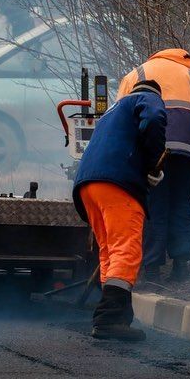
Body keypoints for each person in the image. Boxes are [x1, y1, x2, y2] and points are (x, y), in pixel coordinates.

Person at [72, 80, 167, 341]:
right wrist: (153, 165)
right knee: (126, 248)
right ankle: (109, 319)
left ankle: (116, 317)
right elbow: (155, 117)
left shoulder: (112, 112)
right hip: (117, 184)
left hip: (87, 186)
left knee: (109, 251)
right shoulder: (147, 98)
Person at [117, 49, 190, 282]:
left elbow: (121, 119)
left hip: (150, 152)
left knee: (154, 207)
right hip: (187, 152)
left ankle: (152, 271)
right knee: (183, 204)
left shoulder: (135, 74)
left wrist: (129, 160)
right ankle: (181, 267)